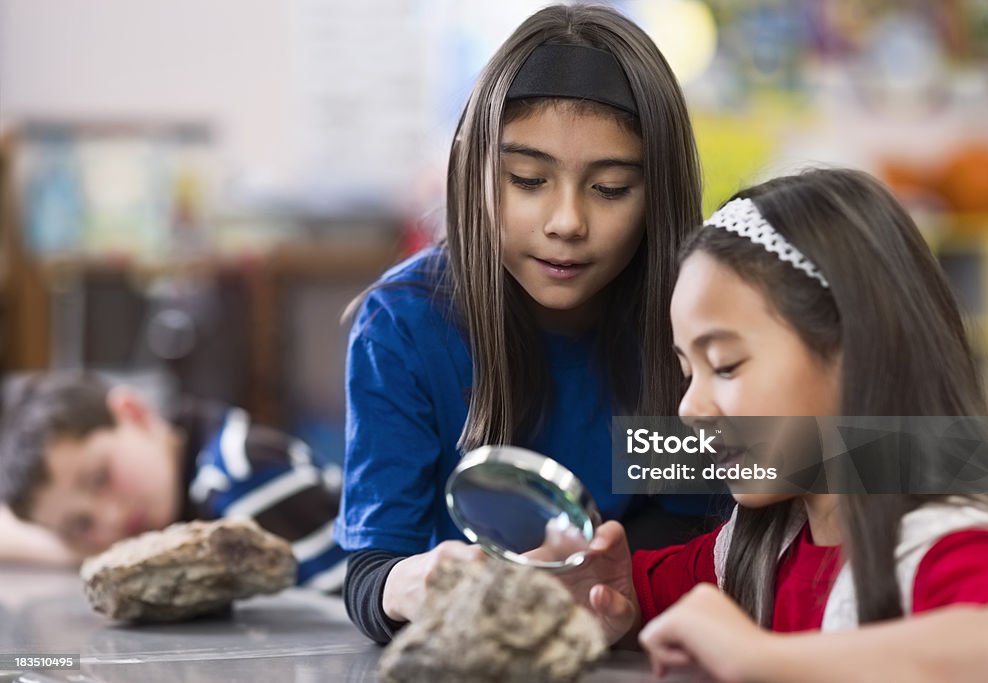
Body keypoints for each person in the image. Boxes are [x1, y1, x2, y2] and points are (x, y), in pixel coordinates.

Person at [338, 3, 724, 644]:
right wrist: (419, 582)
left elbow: (695, 524)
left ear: (660, 194)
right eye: (527, 179)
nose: (566, 222)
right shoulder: (404, 328)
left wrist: (618, 582)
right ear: (472, 171)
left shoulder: (683, 324)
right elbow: (372, 573)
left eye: (609, 188)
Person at [555, 168, 988, 681]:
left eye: (726, 364)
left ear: (856, 349)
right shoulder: (754, 547)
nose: (689, 407)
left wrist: (762, 660)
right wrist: (611, 594)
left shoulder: (949, 545)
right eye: (688, 372)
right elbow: (631, 597)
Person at [0, 372, 349, 593]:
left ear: (133, 412)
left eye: (100, 479)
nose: (109, 518)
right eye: (80, 525)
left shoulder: (238, 484)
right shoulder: (198, 445)